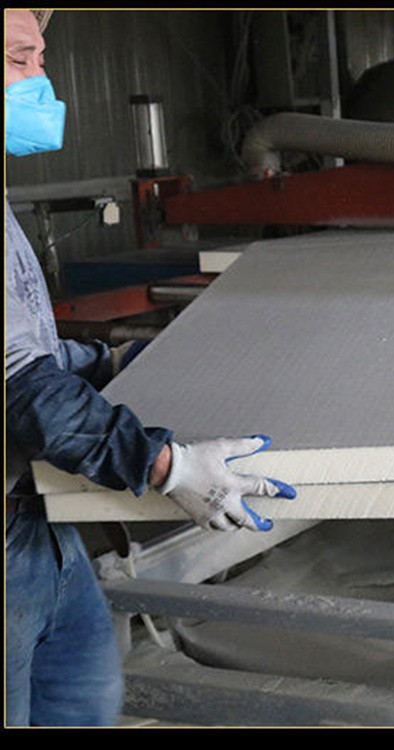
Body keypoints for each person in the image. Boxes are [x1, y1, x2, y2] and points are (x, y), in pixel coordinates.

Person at [5, 8, 296, 727]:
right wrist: (168, 466)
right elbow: (20, 391)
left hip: (38, 527)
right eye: (18, 60)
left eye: (40, 57)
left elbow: (31, 352)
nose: (42, 80)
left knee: (83, 705)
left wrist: (118, 363)